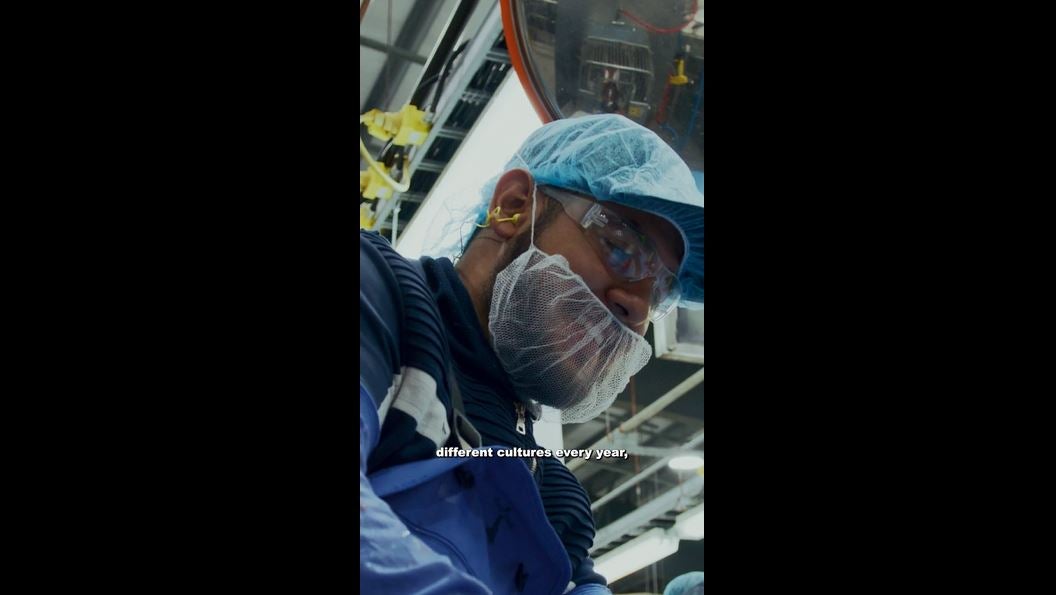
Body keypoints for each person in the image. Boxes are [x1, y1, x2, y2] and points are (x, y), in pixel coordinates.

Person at [360, 114, 703, 594]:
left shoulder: (547, 491)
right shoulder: (380, 304)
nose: (639, 306)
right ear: (513, 206)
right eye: (622, 246)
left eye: (662, 290)